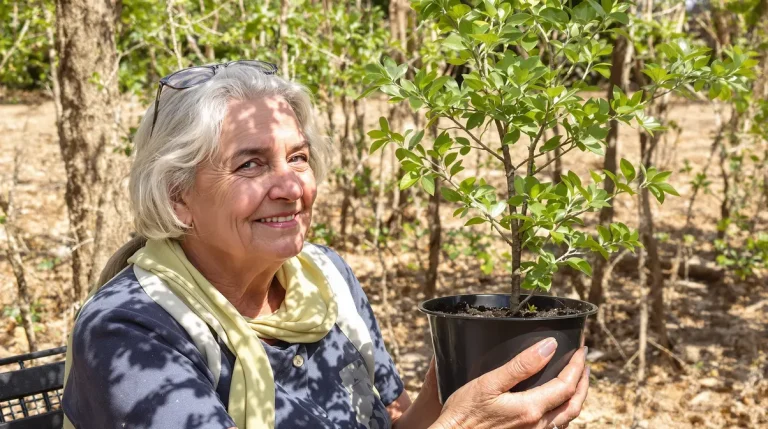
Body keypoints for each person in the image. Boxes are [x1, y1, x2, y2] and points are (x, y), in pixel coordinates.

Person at [61, 61, 589, 429]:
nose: (291, 187)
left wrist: (454, 387)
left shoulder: (324, 276)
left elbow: (397, 423)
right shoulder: (128, 331)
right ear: (178, 198)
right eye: (251, 164)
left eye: (298, 157)